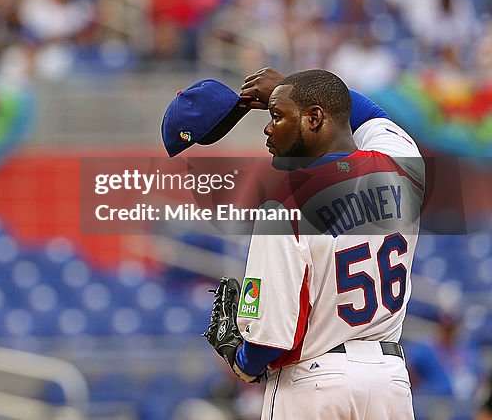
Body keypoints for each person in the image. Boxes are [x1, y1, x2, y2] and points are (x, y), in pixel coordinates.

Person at [165, 68, 423, 419]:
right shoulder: (403, 164)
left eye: (277, 116)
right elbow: (372, 115)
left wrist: (241, 361)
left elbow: (268, 339)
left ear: (315, 118)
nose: (267, 128)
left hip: (315, 385)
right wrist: (291, 88)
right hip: (389, 382)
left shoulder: (285, 204)